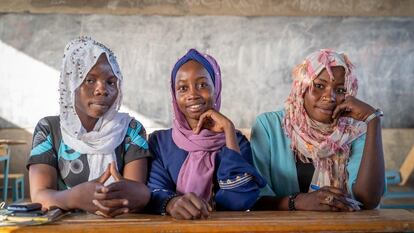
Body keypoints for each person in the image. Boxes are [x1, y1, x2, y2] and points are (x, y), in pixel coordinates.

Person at [27, 37, 151, 217]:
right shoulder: (49, 129)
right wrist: (73, 198)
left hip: (120, 226)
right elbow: (39, 195)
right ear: (71, 85)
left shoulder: (131, 130)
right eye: (90, 80)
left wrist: (130, 194)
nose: (103, 90)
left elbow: (138, 192)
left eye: (111, 82)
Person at [251, 49, 385, 211]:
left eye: (341, 90)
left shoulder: (354, 131)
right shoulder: (269, 126)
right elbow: (255, 199)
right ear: (302, 87)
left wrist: (372, 119)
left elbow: (368, 200)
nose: (330, 97)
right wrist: (298, 202)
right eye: (319, 85)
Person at [147, 49, 266, 219]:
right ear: (174, 95)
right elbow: (154, 193)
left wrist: (228, 130)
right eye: (183, 88)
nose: (193, 94)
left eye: (202, 85)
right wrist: (173, 203)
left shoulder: (236, 140)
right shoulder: (160, 142)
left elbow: (239, 200)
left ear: (216, 88)